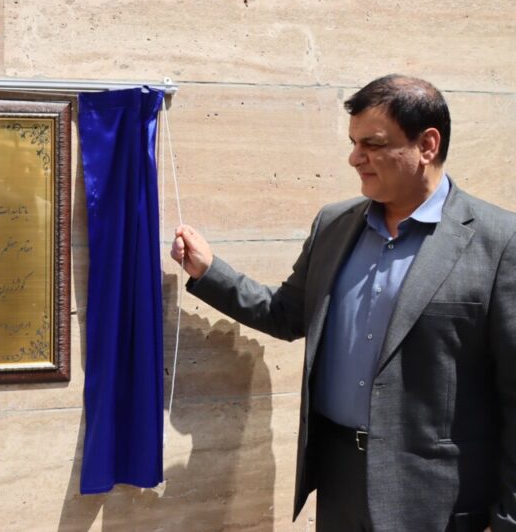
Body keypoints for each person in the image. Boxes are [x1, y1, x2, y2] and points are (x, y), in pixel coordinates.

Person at [173, 75, 516, 531]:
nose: (355, 158)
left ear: (427, 145)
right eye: (354, 143)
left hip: (435, 502)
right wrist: (209, 272)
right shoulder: (334, 225)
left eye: (372, 144)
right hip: (339, 482)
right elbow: (287, 313)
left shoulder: (499, 242)